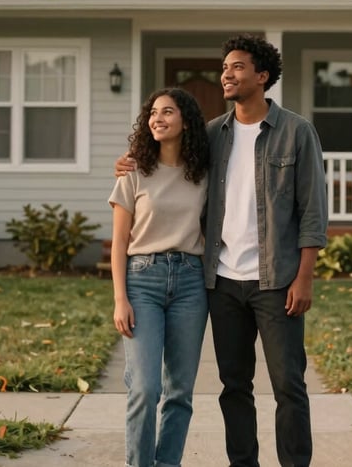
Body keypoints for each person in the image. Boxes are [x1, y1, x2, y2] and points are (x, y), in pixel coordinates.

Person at [116, 34, 328, 467]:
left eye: (237, 67)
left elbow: (313, 213)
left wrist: (305, 276)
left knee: (288, 383)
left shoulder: (297, 132)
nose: (226, 75)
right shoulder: (213, 134)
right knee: (234, 385)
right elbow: (169, 155)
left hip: (277, 280)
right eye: (224, 67)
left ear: (262, 76)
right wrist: (128, 161)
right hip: (222, 281)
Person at [108, 87, 210, 467]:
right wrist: (121, 298)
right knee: (145, 389)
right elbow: (119, 242)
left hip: (190, 282)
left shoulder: (203, 171)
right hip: (142, 280)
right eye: (153, 113)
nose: (157, 118)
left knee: (180, 391)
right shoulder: (134, 171)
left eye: (167, 112)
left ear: (186, 121)